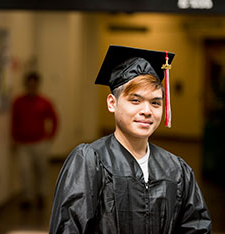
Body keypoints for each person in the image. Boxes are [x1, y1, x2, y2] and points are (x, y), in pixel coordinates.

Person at [49, 45, 211, 233]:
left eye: (155, 102)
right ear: (112, 103)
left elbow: (197, 228)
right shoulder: (90, 162)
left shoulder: (176, 169)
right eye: (135, 100)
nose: (146, 111)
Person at [11, 72, 58, 209]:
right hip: (23, 143)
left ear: (37, 85)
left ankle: (41, 195)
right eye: (29, 84)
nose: (31, 87)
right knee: (25, 171)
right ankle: (27, 197)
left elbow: (54, 119)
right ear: (26, 85)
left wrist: (51, 135)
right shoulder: (18, 102)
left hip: (40, 142)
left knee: (41, 170)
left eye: (34, 84)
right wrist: (14, 138)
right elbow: (14, 122)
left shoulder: (44, 102)